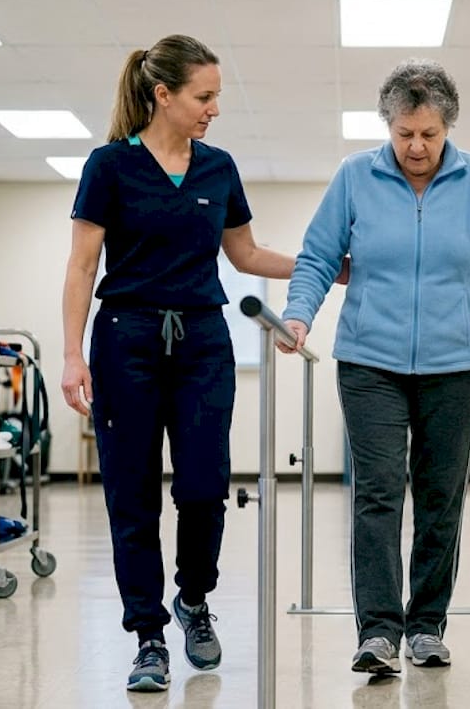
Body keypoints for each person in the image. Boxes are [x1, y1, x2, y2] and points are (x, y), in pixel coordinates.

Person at [277, 59, 470, 675]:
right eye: (404, 134)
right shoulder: (353, 177)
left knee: (441, 497)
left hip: (455, 363)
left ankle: (426, 627)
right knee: (379, 494)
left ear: (449, 128)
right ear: (388, 126)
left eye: (429, 134)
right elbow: (315, 258)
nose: (416, 147)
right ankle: (379, 632)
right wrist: (298, 316)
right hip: (369, 362)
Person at [59, 35, 301, 693]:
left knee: (203, 483)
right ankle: (148, 635)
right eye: (204, 96)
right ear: (162, 95)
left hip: (201, 341)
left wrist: (326, 268)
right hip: (126, 338)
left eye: (215, 95)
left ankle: (194, 596)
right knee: (130, 493)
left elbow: (246, 254)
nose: (214, 108)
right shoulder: (109, 166)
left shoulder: (218, 168)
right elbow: (83, 265)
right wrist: (71, 353)